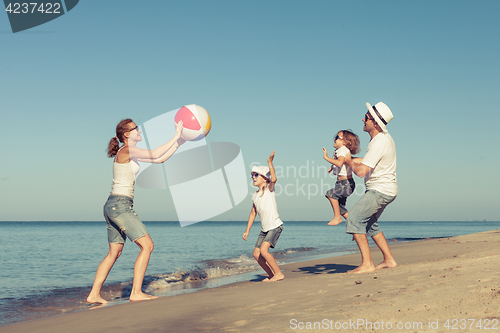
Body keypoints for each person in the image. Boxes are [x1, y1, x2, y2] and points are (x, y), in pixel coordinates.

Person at [87, 119, 184, 304]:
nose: (139, 131)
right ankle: (136, 292)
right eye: (135, 129)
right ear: (126, 135)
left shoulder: (130, 153)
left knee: (113, 253)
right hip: (120, 205)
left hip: (112, 205)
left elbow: (159, 159)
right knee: (147, 246)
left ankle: (94, 294)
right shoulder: (127, 150)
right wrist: (175, 136)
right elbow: (155, 152)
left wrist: (179, 142)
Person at [343, 102, 398, 274]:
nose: (362, 119)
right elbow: (367, 161)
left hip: (380, 190)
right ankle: (389, 260)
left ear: (374, 122)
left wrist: (348, 160)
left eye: (366, 117)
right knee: (370, 224)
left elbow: (361, 172)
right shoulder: (382, 139)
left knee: (354, 219)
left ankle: (367, 264)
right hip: (386, 190)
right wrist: (348, 160)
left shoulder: (379, 142)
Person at [243, 151, 284, 282]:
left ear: (264, 178)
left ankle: (278, 273)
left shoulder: (269, 190)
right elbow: (252, 214)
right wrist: (247, 230)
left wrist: (270, 163)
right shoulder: (255, 196)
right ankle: (271, 275)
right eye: (252, 176)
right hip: (264, 229)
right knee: (256, 254)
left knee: (264, 251)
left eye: (256, 175)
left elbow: (274, 179)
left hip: (275, 226)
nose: (253, 177)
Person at [322, 130, 360, 226]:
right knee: (341, 208)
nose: (334, 139)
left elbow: (339, 162)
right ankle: (355, 225)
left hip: (346, 183)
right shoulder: (339, 151)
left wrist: (326, 157)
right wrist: (332, 167)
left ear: (345, 142)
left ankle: (337, 218)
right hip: (341, 183)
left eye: (337, 137)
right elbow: (339, 163)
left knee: (330, 194)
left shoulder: (343, 149)